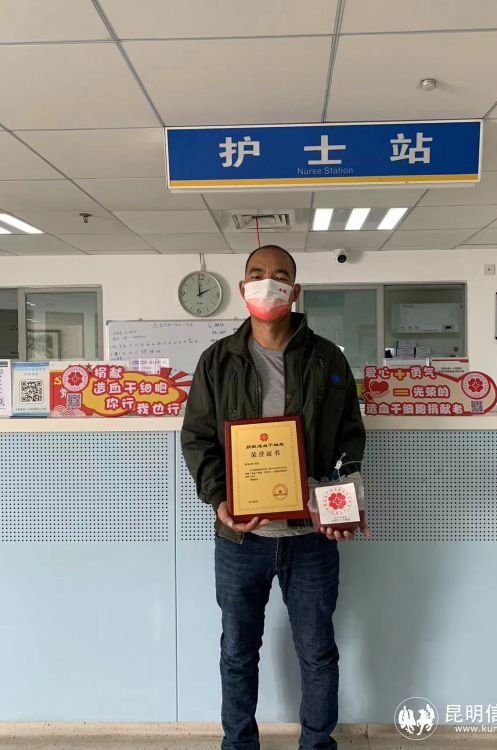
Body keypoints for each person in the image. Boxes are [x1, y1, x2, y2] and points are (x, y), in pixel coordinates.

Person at [181, 244, 370, 750]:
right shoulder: (217, 360)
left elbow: (349, 439)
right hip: (241, 539)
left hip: (311, 538)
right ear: (244, 288)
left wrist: (340, 505)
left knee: (318, 651)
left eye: (280, 275)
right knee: (238, 652)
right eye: (258, 274)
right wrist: (219, 499)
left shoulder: (327, 358)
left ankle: (317, 743)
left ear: (295, 289)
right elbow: (197, 438)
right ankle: (239, 743)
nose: (269, 283)